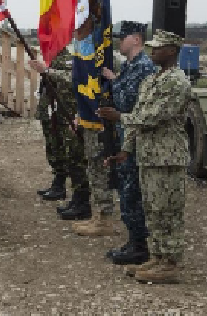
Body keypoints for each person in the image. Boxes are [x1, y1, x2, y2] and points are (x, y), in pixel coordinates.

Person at [99, 30, 191, 284]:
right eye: (152, 47)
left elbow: (151, 117)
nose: (153, 52)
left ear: (172, 51)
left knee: (168, 210)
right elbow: (138, 118)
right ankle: (158, 256)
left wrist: (119, 117)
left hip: (167, 157)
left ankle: (170, 263)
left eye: (159, 48)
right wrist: (125, 150)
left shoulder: (176, 81)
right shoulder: (152, 81)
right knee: (152, 210)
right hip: (148, 156)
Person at [97, 21, 156, 265]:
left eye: (123, 37)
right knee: (125, 189)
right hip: (125, 135)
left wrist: (115, 82)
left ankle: (140, 245)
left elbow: (130, 101)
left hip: (136, 138)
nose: (119, 42)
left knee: (133, 192)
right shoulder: (130, 66)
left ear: (136, 39)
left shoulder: (144, 67)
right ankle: (134, 240)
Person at [29, 50, 91, 220]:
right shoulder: (50, 58)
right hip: (51, 112)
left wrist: (47, 70)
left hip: (66, 113)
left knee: (74, 156)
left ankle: (80, 198)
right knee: (53, 148)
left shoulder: (72, 59)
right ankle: (59, 183)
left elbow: (73, 80)